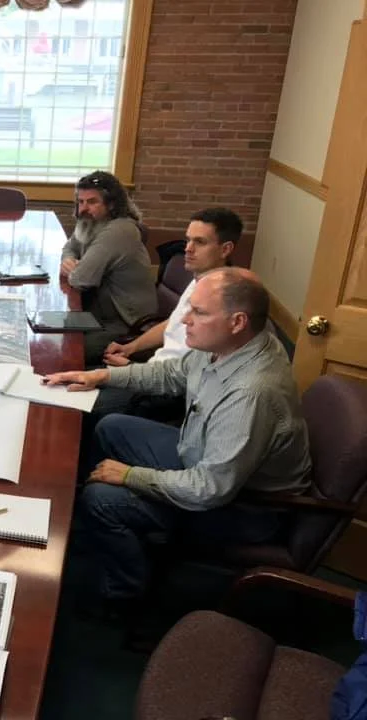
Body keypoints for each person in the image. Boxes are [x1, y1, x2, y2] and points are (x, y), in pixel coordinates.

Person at [45, 268, 311, 606]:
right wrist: (101, 375)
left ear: (237, 321)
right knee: (112, 426)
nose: (184, 318)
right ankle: (103, 534)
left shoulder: (250, 394)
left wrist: (130, 476)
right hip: (204, 455)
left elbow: (209, 490)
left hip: (243, 506)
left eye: (199, 312)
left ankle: (120, 593)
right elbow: (170, 373)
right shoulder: (230, 343)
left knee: (102, 498)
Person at [90, 207, 244, 421]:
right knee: (75, 385)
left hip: (166, 391)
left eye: (200, 242)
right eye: (188, 240)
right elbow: (172, 323)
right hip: (152, 371)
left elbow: (192, 373)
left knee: (83, 409)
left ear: (225, 249)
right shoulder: (200, 279)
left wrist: (135, 369)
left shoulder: (224, 300)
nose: (188, 249)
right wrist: (131, 347)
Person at [60, 171, 157, 366]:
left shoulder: (118, 230)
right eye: (81, 202)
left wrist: (74, 271)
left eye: (92, 202)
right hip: (99, 315)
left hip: (126, 325)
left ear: (111, 204)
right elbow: (70, 246)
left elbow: (82, 280)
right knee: (48, 330)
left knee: (61, 351)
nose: (84, 209)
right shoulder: (91, 223)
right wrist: (70, 260)